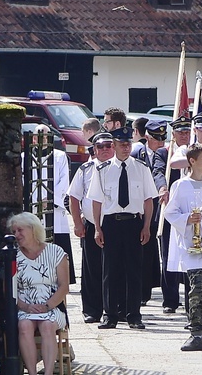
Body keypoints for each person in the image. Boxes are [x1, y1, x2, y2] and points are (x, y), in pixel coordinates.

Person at [87, 126, 158, 330]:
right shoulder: (102, 169)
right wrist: (98, 229)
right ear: (114, 145)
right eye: (121, 144)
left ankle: (134, 315)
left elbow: (148, 200)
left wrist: (146, 226)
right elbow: (97, 201)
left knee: (134, 270)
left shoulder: (141, 168)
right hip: (111, 223)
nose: (126, 148)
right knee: (110, 270)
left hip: (134, 222)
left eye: (128, 144)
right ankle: (110, 315)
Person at [163, 143, 202, 351]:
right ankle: (195, 331)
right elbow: (170, 213)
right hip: (192, 243)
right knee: (197, 287)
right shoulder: (180, 186)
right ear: (192, 161)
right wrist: (187, 219)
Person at [10, 212, 70, 375]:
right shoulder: (13, 257)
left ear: (33, 229)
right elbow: (11, 290)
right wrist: (25, 306)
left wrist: (47, 306)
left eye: (20, 230)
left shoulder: (56, 252)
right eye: (14, 231)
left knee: (47, 325)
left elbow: (64, 286)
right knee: (24, 325)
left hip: (51, 306)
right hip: (25, 307)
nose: (16, 235)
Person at [68, 132, 114, 324]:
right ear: (94, 150)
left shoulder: (122, 168)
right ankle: (92, 310)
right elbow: (74, 197)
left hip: (115, 225)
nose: (105, 150)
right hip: (91, 225)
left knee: (114, 269)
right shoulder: (86, 169)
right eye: (100, 146)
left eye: (108, 146)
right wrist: (78, 223)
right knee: (91, 269)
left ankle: (114, 309)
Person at [153, 115, 190, 314]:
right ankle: (170, 300)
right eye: (180, 132)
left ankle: (192, 300)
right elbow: (158, 172)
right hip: (170, 209)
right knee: (168, 254)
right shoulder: (163, 153)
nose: (184, 135)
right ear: (173, 134)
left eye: (187, 131)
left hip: (192, 211)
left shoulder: (197, 153)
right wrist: (162, 188)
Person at [28, 124, 75, 284]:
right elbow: (23, 181)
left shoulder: (60, 157)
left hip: (54, 210)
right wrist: (36, 201)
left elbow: (64, 182)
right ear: (33, 138)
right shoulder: (24, 157)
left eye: (46, 136)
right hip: (33, 209)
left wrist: (49, 200)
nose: (42, 139)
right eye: (38, 136)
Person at [131, 119, 167, 306]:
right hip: (140, 206)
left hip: (157, 206)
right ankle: (140, 292)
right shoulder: (137, 153)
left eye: (163, 139)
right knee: (141, 250)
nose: (160, 143)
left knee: (152, 250)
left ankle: (147, 290)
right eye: (156, 139)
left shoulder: (165, 153)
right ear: (147, 137)